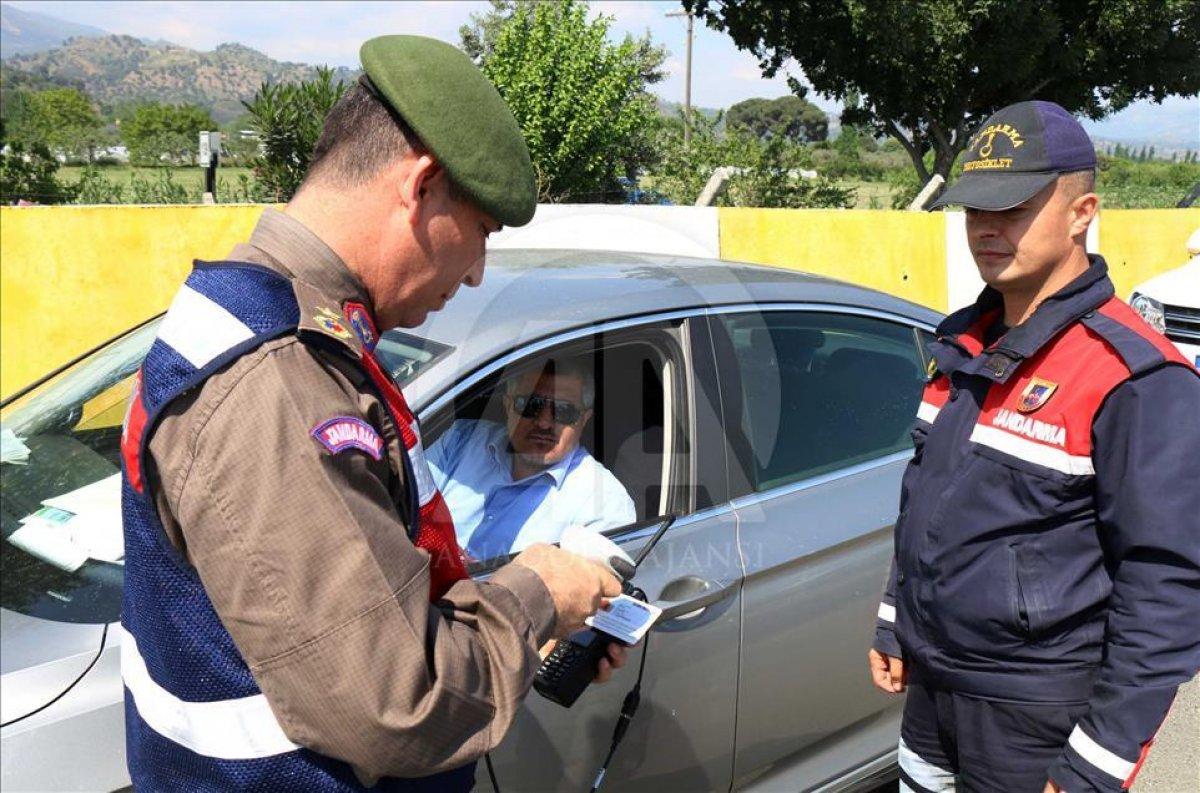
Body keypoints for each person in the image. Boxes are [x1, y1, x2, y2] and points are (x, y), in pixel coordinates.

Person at [119, 35, 625, 791]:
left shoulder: (260, 317)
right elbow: (400, 703)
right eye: (481, 232)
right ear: (420, 188)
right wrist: (540, 591)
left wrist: (520, 614)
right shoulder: (280, 382)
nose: (479, 269)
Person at [868, 100, 1200, 793]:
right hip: (932, 696)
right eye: (974, 210)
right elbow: (925, 495)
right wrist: (895, 619)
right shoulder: (963, 342)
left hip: (1035, 717)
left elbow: (1166, 587)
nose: (987, 227)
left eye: (1013, 207)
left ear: (1084, 212)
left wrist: (1092, 767)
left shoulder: (1136, 377)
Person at [428, 356, 637, 561]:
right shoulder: (462, 440)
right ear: (508, 406)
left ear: (584, 419)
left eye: (563, 411)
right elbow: (404, 511)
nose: (544, 423)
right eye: (531, 405)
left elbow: (583, 591)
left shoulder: (605, 503)